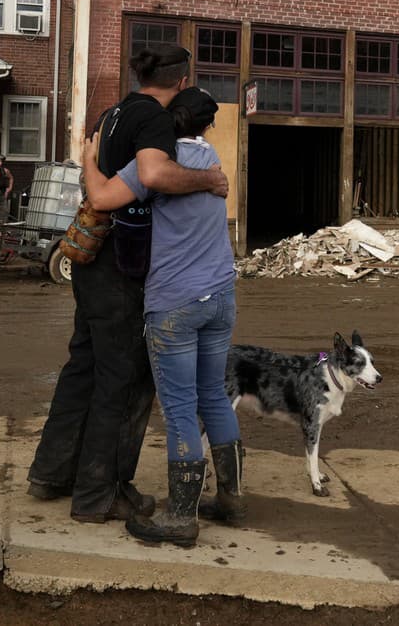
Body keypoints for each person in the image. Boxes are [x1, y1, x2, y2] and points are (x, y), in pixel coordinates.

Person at [26, 45, 229, 524]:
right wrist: (208, 180)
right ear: (181, 83)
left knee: (83, 368)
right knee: (126, 380)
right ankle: (101, 493)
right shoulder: (155, 121)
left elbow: (95, 173)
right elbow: (155, 173)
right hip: (125, 268)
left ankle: (51, 473)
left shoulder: (111, 113)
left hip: (92, 263)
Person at [81, 87, 242, 547]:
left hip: (175, 302)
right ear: (207, 125)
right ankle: (231, 498)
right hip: (221, 296)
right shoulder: (213, 162)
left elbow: (101, 198)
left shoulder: (154, 167)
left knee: (178, 409)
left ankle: (181, 517)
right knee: (212, 393)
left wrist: (89, 157)